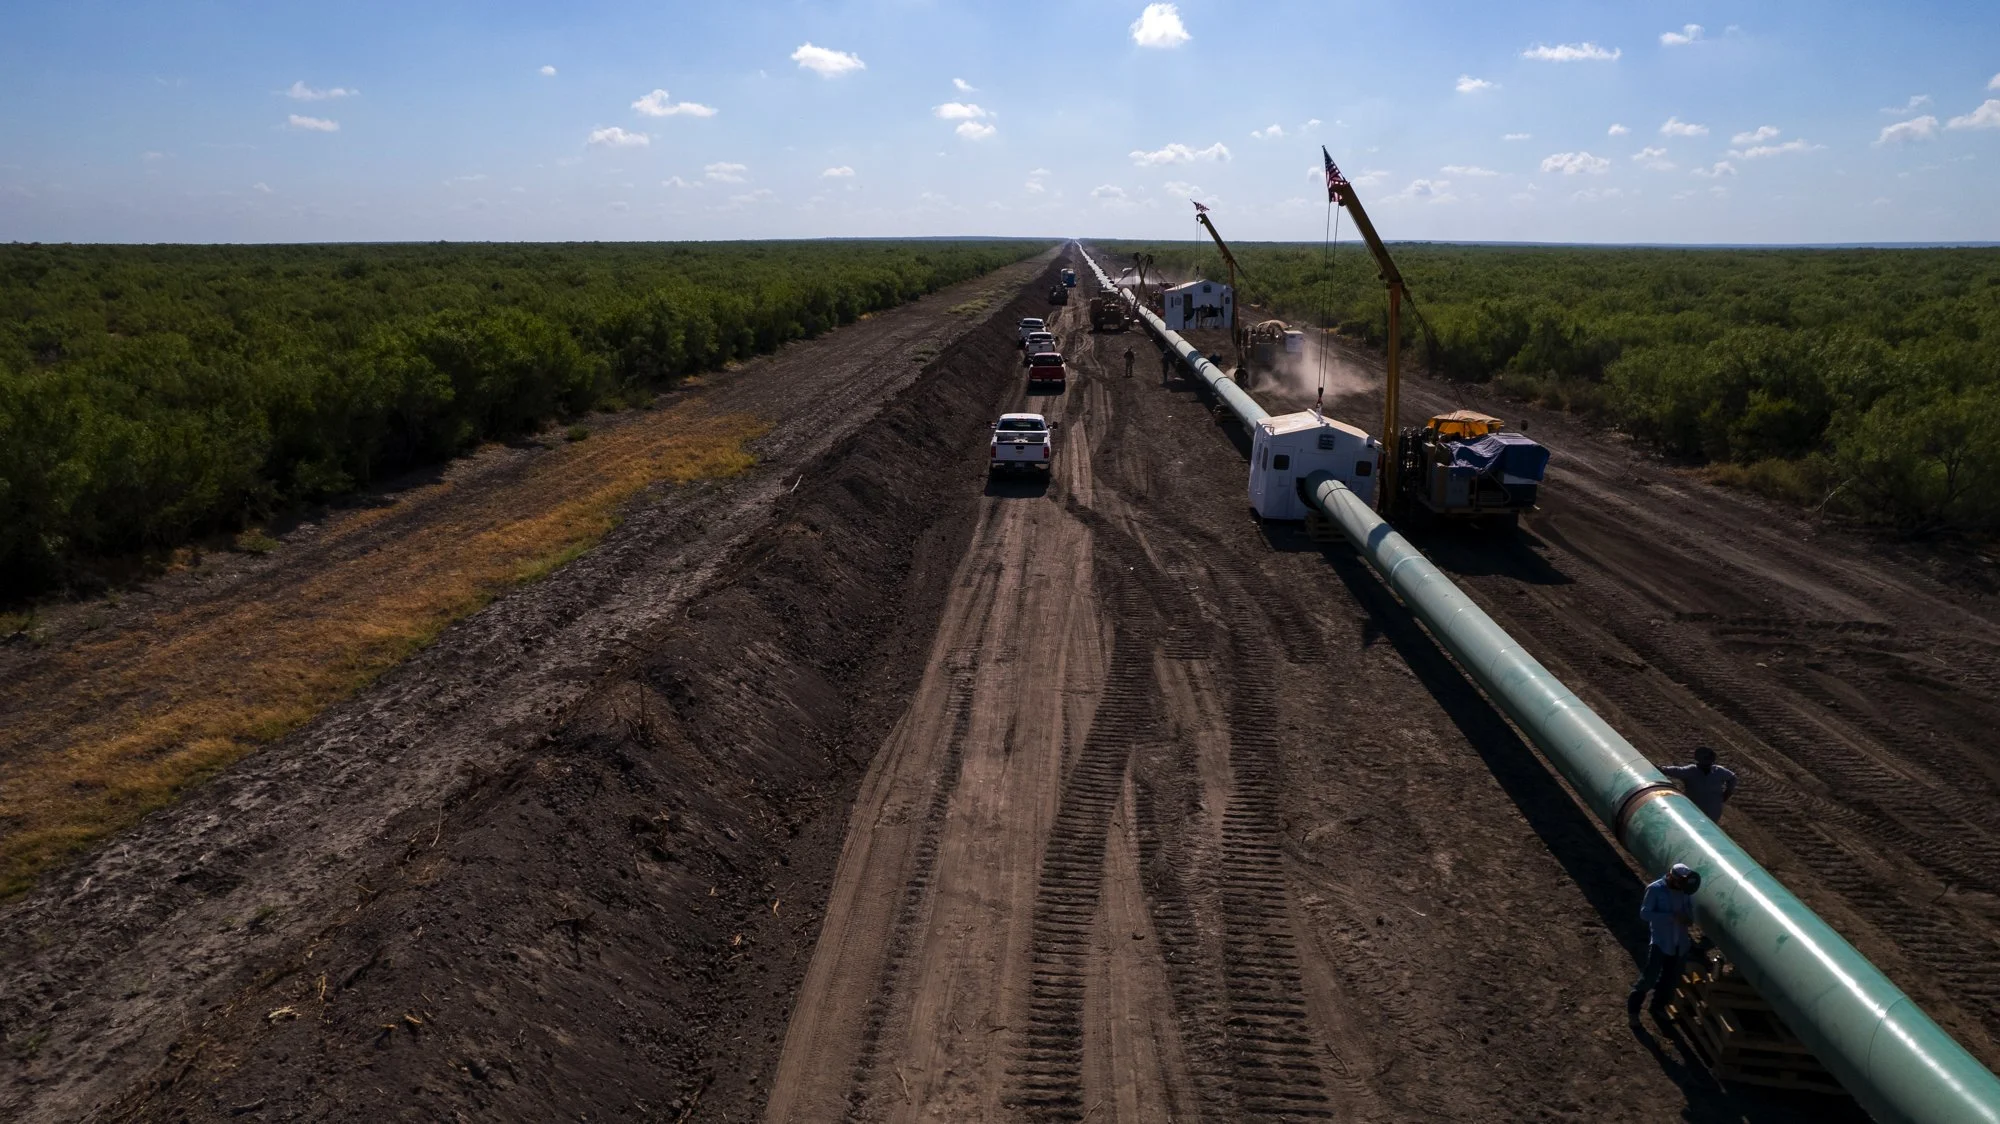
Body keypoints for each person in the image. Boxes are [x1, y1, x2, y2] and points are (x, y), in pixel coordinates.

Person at [1628, 863, 1701, 1022]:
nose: (1680, 887)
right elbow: (1645, 914)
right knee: (1649, 978)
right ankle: (1633, 1011)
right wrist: (1670, 917)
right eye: (1678, 884)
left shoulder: (1685, 892)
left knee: (1669, 980)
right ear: (1670, 877)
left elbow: (1689, 913)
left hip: (1679, 944)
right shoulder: (1655, 889)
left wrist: (1688, 919)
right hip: (1661, 942)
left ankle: (1657, 1008)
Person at [1661, 745, 1738, 823]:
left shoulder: (1718, 771)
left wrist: (1728, 792)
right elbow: (1675, 770)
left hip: (1710, 811)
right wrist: (1663, 769)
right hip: (1696, 810)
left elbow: (1733, 778)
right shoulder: (1692, 770)